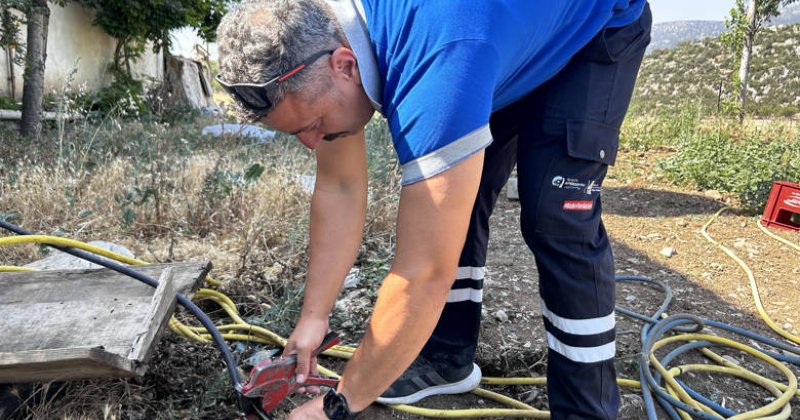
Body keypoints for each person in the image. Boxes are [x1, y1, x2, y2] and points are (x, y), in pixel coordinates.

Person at [216, 0, 651, 418]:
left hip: (596, 29)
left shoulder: (437, 58)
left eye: (311, 125)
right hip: (496, 38)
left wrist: (340, 403)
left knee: (556, 218)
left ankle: (585, 409)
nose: (311, 142)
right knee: (460, 191)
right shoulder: (323, 37)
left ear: (345, 65)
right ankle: (447, 359)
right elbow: (341, 185)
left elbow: (422, 273)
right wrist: (314, 316)